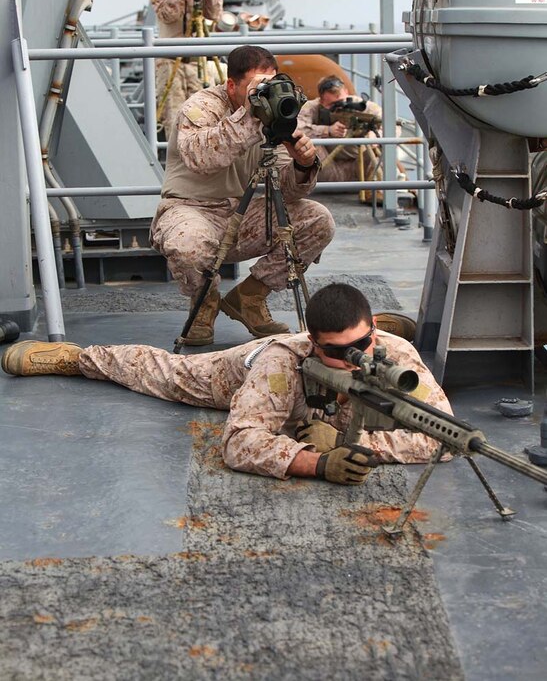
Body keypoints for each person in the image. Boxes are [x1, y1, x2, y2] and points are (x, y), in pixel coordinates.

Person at [1, 283, 451, 485]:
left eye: (362, 343)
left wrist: (355, 444)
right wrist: (316, 463)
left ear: (374, 333)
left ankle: (356, 326)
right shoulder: (281, 364)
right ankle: (79, 359)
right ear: (315, 344)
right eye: (338, 350)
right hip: (242, 369)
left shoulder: (393, 356)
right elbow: (238, 442)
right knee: (165, 373)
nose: (355, 358)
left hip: (337, 386)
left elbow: (443, 436)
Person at [149, 44, 335, 346]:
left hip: (238, 214)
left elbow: (287, 191)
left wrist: (302, 164)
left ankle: (249, 298)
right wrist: (249, 117)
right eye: (257, 86)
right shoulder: (202, 107)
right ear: (231, 85)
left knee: (317, 219)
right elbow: (202, 158)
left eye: (270, 84)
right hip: (190, 210)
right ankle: (204, 305)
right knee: (187, 245)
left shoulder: (270, 113)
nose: (265, 93)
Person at [150, 0, 224, 138]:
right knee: (174, 119)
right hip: (169, 63)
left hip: (197, 63)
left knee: (202, 117)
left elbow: (215, 14)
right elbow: (169, 15)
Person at [297, 75, 384, 197]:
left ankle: (374, 190)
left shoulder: (363, 106)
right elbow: (296, 129)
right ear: (321, 101)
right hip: (327, 169)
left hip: (358, 167)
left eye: (343, 101)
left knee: (382, 146)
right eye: (333, 105)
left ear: (347, 93)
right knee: (306, 143)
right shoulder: (312, 107)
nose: (341, 108)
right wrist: (327, 130)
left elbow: (391, 125)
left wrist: (375, 135)